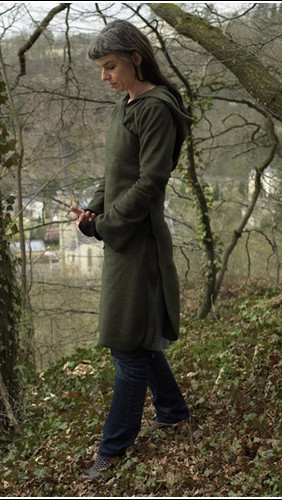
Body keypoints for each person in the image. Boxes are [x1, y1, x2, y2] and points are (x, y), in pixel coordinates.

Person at [72, 19, 192, 480]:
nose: (105, 76)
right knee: (134, 337)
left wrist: (107, 225)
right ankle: (173, 410)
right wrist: (93, 209)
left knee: (127, 347)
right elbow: (115, 173)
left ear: (135, 59)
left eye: (110, 66)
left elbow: (150, 182)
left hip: (140, 243)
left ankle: (113, 448)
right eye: (101, 68)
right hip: (121, 238)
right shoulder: (126, 104)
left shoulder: (156, 108)